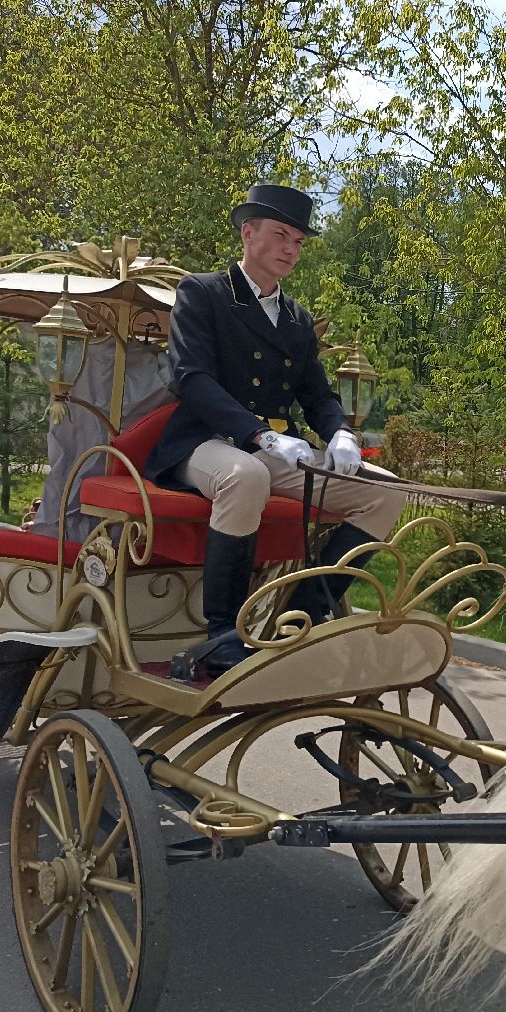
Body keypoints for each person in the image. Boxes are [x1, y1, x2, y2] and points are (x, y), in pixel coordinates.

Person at [145, 183, 406, 675]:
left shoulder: (296, 319)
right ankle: (223, 636)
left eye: (299, 241)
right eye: (282, 235)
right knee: (246, 476)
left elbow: (317, 395)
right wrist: (260, 434)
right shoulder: (203, 293)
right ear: (248, 233)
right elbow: (191, 378)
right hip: (206, 442)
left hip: (276, 450)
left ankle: (299, 617)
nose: (291, 249)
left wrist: (341, 434)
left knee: (386, 493)